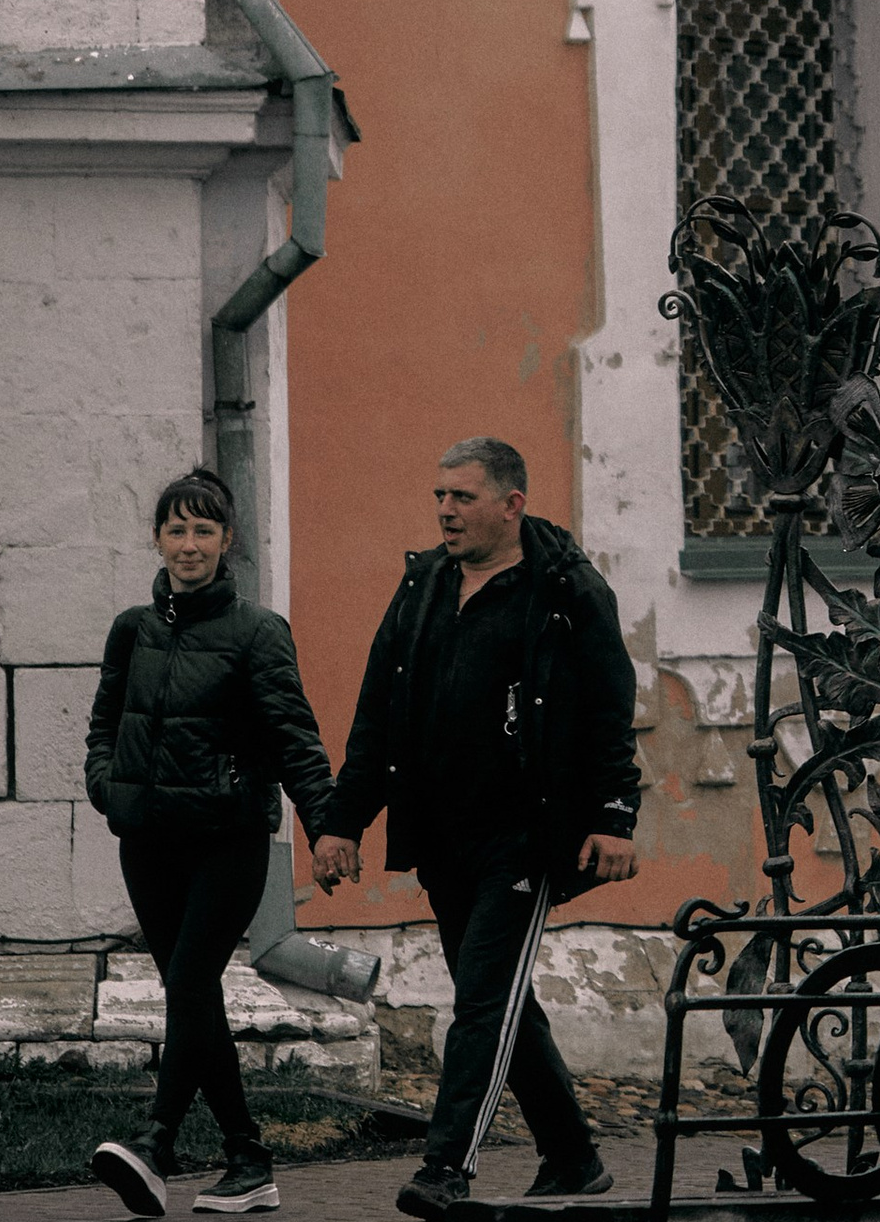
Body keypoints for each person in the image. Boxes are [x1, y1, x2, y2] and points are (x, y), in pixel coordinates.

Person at [311, 439, 641, 1219]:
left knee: (484, 1002)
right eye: (439, 497)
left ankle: (447, 1167)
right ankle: (573, 1158)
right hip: (442, 834)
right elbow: (377, 720)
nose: (445, 512)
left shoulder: (566, 590)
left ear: (510, 504)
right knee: (497, 999)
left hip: (528, 837)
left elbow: (609, 710)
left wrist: (615, 817)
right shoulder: (423, 584)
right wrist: (340, 824)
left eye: (461, 497)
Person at [86, 467, 339, 1219]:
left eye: (204, 530)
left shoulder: (257, 631)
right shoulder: (133, 628)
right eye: (176, 529)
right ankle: (247, 1158)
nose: (188, 544)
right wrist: (110, 786)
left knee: (189, 986)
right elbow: (104, 722)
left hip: (227, 842)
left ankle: (157, 1144)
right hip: (148, 843)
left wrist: (326, 828)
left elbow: (295, 737)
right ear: (158, 538)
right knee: (189, 997)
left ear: (226, 542)